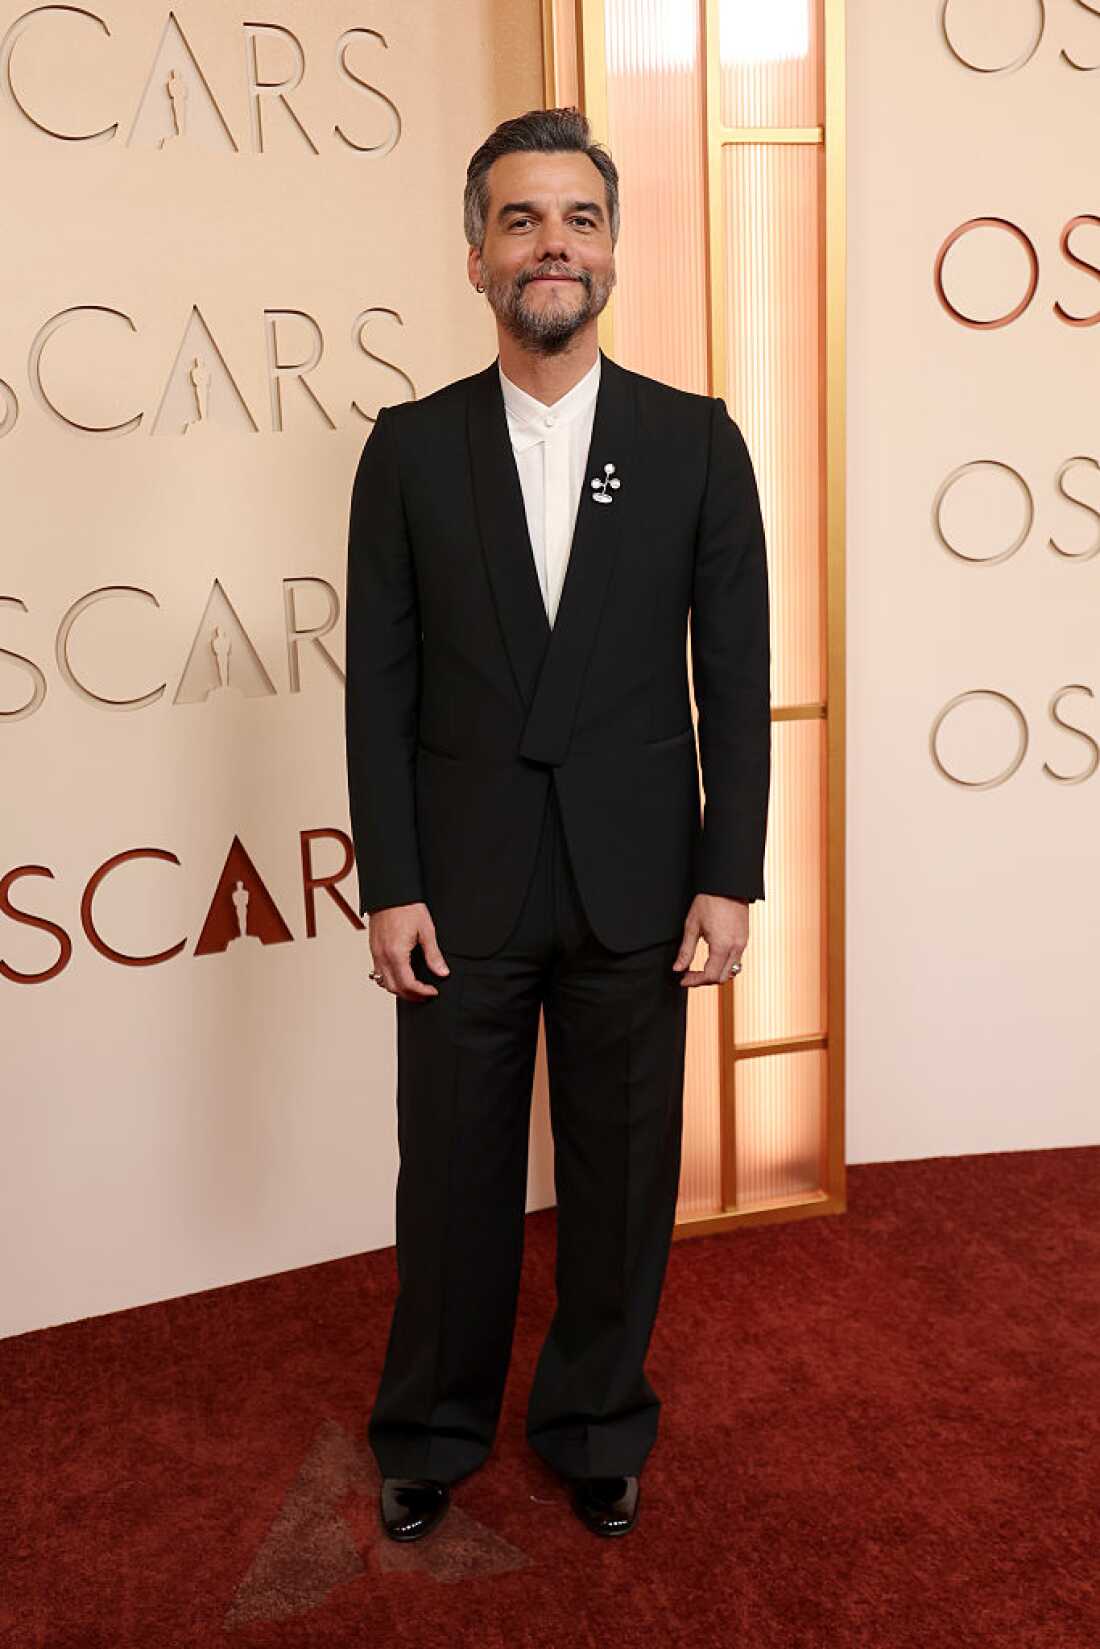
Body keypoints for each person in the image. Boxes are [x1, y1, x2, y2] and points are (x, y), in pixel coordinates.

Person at [344, 106, 771, 1542]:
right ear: (474, 256)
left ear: (611, 251)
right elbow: (380, 687)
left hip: (641, 881)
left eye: (579, 220)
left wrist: (731, 876)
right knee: (452, 1182)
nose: (552, 246)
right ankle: (430, 1429)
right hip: (455, 886)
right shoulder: (407, 450)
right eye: (520, 220)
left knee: (625, 1174)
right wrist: (387, 879)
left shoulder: (698, 443)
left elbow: (740, 678)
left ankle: (596, 1419)